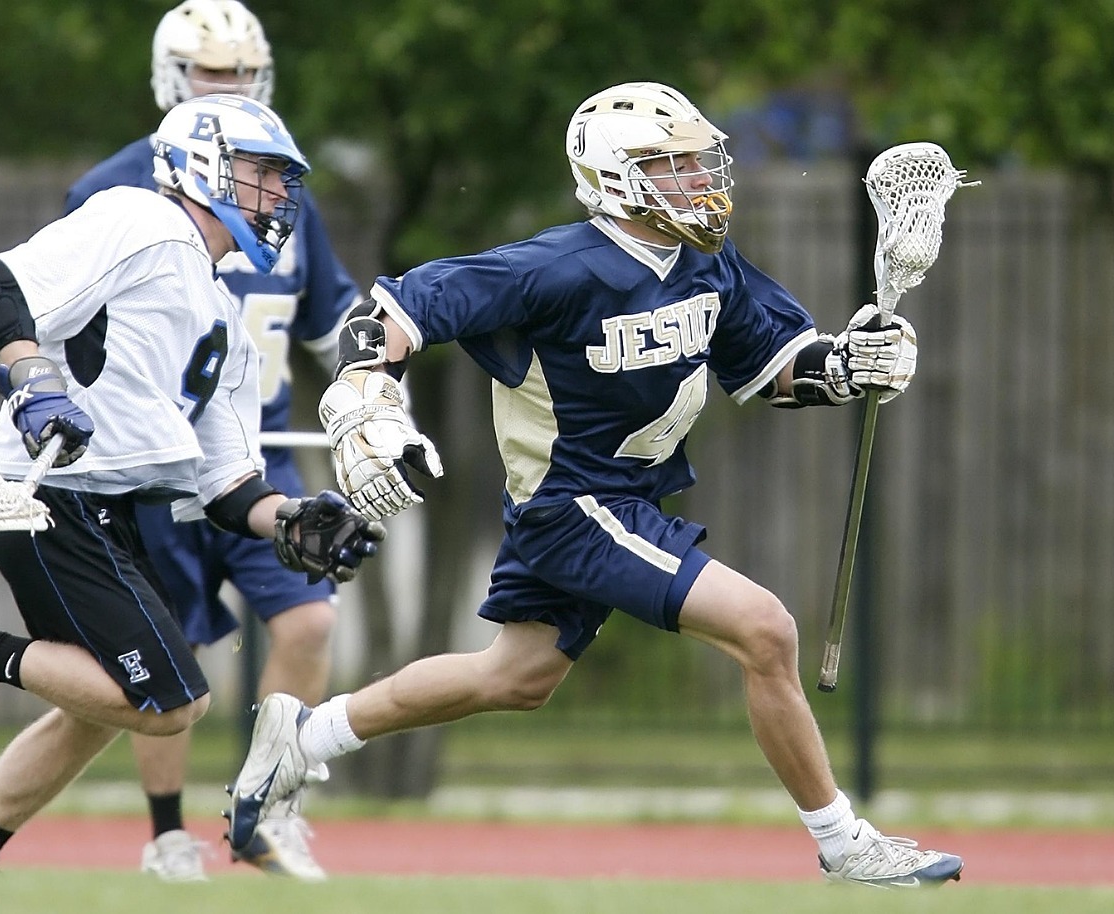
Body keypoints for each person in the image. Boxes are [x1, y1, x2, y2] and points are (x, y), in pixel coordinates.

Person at [227, 80, 962, 889]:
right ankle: (843, 842)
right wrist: (366, 394)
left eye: (698, 162)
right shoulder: (556, 268)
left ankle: (302, 736)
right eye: (672, 166)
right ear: (617, 179)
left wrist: (848, 365)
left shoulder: (708, 265)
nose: (700, 182)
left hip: (618, 503)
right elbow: (396, 312)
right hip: (575, 507)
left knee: (514, 677)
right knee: (766, 630)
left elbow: (774, 372)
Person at [0, 93, 383, 873]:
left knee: (100, 707)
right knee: (172, 703)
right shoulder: (140, 218)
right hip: (52, 497)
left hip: (117, 512)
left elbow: (225, 484)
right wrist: (32, 380)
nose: (279, 196)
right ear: (204, 164)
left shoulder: (223, 311)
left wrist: (291, 519)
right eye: (263, 174)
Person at [63, 0, 364, 882]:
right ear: (172, 78)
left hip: (260, 446)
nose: (227, 89)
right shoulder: (114, 187)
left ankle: (266, 814)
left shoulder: (282, 184)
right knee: (173, 649)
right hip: (152, 451)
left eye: (240, 75)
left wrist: (376, 386)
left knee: (310, 615)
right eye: (210, 74)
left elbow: (328, 317)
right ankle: (166, 833)